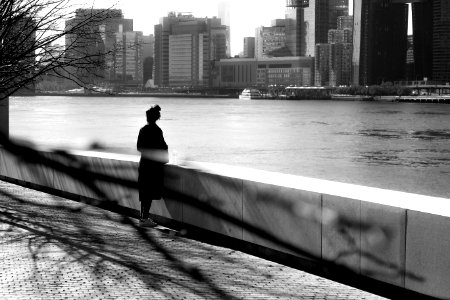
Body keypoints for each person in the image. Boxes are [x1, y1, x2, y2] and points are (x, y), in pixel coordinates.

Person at [137, 104, 168, 227]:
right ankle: (145, 218)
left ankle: (142, 218)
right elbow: (163, 147)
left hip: (144, 163)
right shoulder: (157, 130)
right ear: (157, 118)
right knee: (149, 192)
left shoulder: (143, 130)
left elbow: (139, 147)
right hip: (153, 166)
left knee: (144, 192)